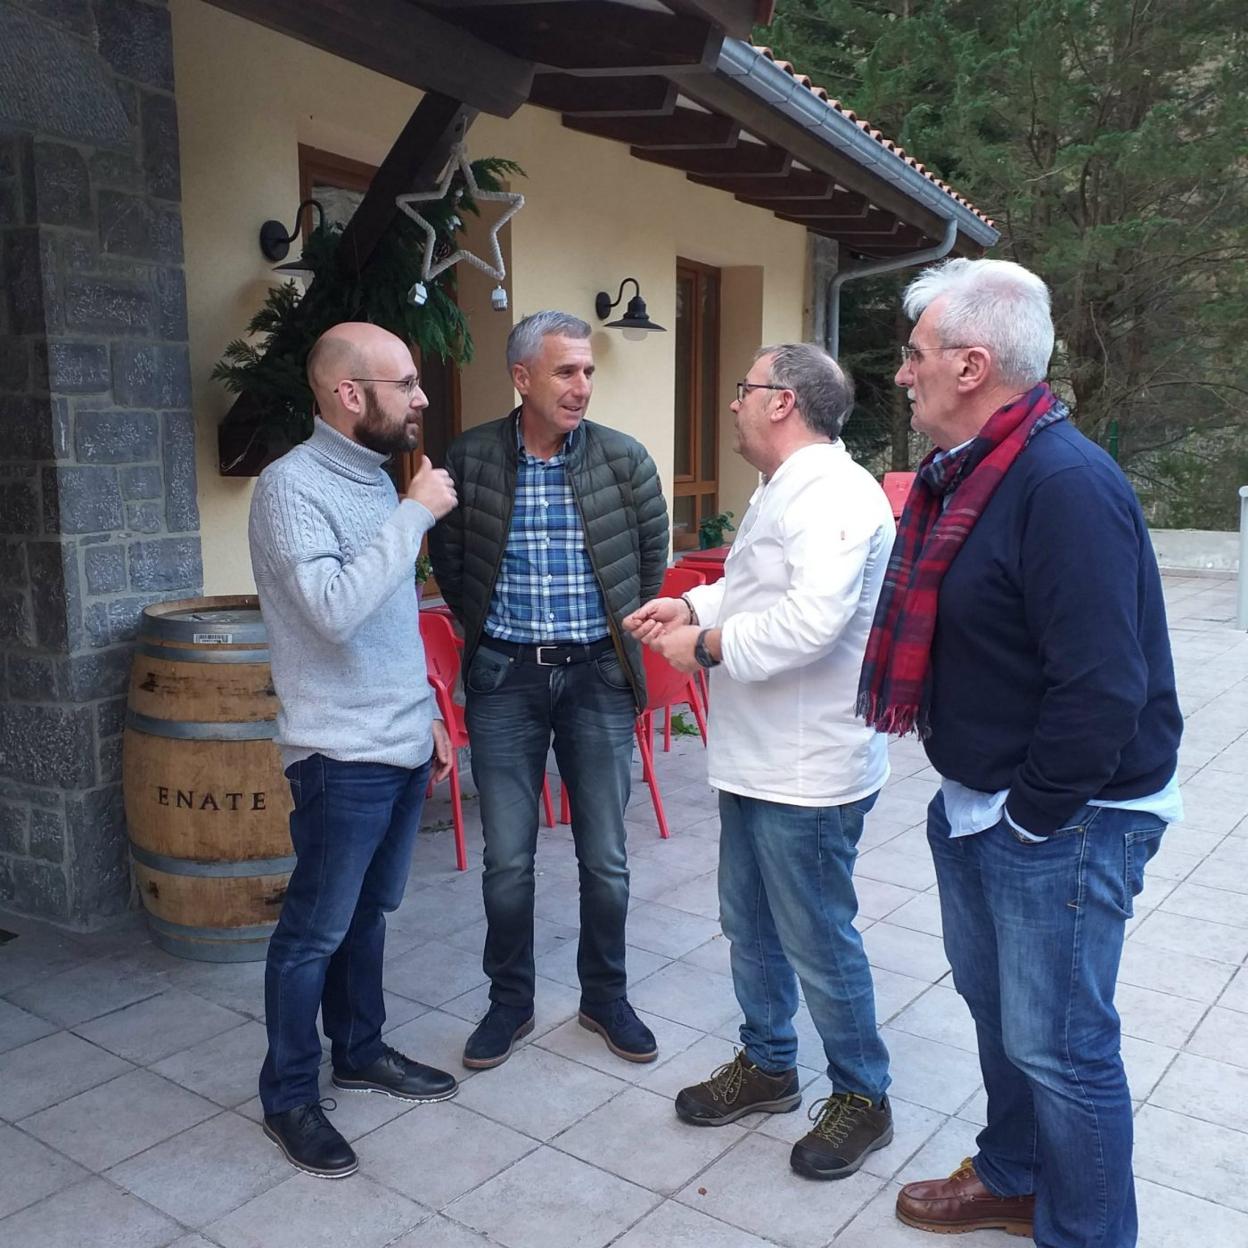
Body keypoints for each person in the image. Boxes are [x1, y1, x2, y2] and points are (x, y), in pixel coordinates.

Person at [856, 259, 1183, 1245]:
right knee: (1005, 1022)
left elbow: (1104, 687)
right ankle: (1013, 1175)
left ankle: (1085, 1233)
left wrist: (1031, 822)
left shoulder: (1064, 483)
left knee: (1064, 1048)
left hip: (1064, 819)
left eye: (915, 356)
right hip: (983, 804)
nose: (902, 373)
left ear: (971, 363)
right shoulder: (972, 475)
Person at [624, 343, 897, 1180]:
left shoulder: (835, 496)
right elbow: (759, 589)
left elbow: (812, 622)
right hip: (756, 760)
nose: (733, 401)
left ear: (781, 402)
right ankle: (771, 1063)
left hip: (809, 770)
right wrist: (692, 599)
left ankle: (863, 1094)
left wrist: (699, 643)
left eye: (743, 388)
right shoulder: (788, 487)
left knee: (817, 938)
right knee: (750, 927)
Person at [428, 311, 668, 1070]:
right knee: (508, 859)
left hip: (598, 675)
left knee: (606, 856)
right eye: (566, 371)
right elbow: (453, 563)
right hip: (505, 679)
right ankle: (510, 1004)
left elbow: (649, 559)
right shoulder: (469, 459)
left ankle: (605, 997)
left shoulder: (624, 461)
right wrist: (495, 641)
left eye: (588, 371)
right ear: (522, 377)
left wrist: (615, 646)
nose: (582, 386)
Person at [249, 322, 461, 1179]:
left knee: (369, 917)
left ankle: (360, 1051)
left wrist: (430, 712)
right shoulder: (289, 488)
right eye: (405, 383)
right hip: (339, 755)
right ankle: (289, 1097)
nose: (420, 397)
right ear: (349, 395)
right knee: (313, 933)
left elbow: (385, 622)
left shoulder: (376, 482)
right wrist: (415, 514)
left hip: (399, 739)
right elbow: (334, 609)